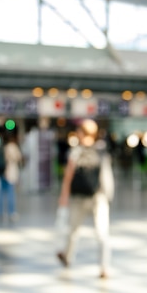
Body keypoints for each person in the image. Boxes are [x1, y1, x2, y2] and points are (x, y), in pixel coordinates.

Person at [57, 119, 114, 279]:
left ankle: (68, 257)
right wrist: (108, 194)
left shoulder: (76, 152)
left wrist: (63, 196)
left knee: (73, 229)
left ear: (81, 133)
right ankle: (104, 266)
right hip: (98, 196)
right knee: (102, 232)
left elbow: (68, 176)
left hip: (79, 197)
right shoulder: (101, 151)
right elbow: (106, 175)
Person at [0, 133, 23, 224]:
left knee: (0, 193)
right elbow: (19, 158)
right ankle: (11, 212)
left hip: (1, 172)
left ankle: (0, 212)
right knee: (11, 193)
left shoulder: (2, 147)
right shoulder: (13, 147)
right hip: (10, 172)